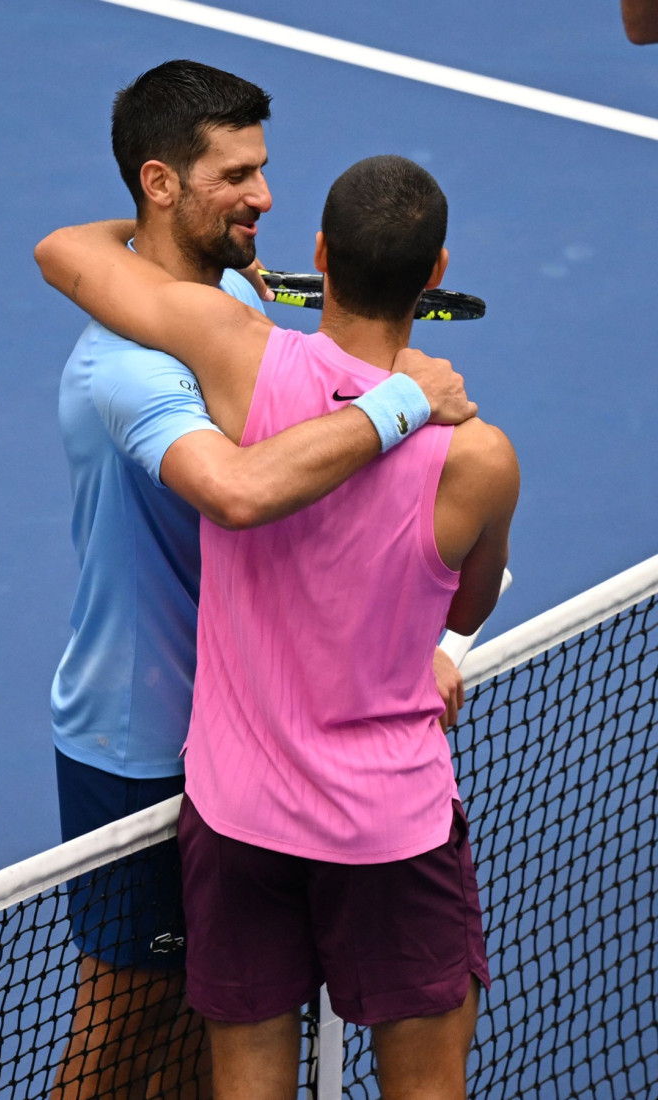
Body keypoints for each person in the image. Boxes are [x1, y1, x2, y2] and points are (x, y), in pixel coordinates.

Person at [35, 153, 520, 1099]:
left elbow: (70, 252)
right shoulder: (480, 457)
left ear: (319, 253)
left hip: (240, 820)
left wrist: (228, 286)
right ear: (437, 272)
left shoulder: (233, 354)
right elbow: (468, 606)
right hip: (389, 828)